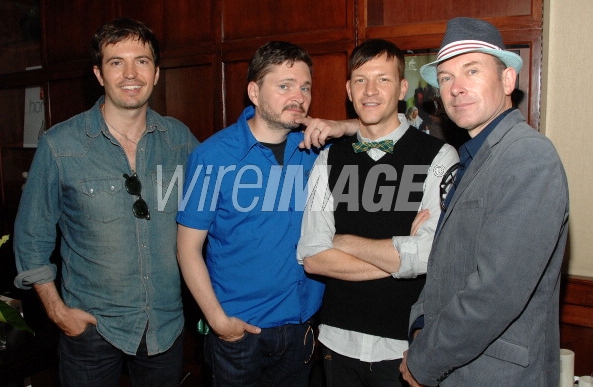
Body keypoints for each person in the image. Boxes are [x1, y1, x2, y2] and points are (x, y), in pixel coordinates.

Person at [13, 18, 199, 386]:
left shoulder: (181, 141)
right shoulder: (60, 145)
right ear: (99, 74)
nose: (131, 73)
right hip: (91, 330)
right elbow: (31, 238)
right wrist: (58, 311)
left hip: (165, 327)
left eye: (142, 61)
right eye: (117, 62)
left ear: (157, 72)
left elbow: (212, 221)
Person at [176, 41, 358, 387]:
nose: (299, 96)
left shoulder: (317, 149)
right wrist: (218, 321)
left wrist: (340, 126)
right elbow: (187, 248)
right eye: (285, 85)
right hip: (239, 332)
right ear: (254, 92)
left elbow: (382, 131)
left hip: (301, 325)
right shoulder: (212, 155)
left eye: (305, 87)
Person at [399, 17, 569, 387]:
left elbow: (495, 293)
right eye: (445, 78)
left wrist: (424, 360)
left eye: (471, 70)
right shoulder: (474, 156)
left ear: (508, 80)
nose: (456, 88)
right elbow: (445, 267)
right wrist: (420, 327)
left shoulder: (527, 156)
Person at [297, 39, 459, 387]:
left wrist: (342, 242)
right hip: (335, 341)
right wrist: (401, 255)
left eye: (383, 79)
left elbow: (431, 257)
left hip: (404, 348)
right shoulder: (329, 158)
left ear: (402, 88)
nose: (370, 90)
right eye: (360, 80)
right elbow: (312, 256)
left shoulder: (438, 157)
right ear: (348, 90)